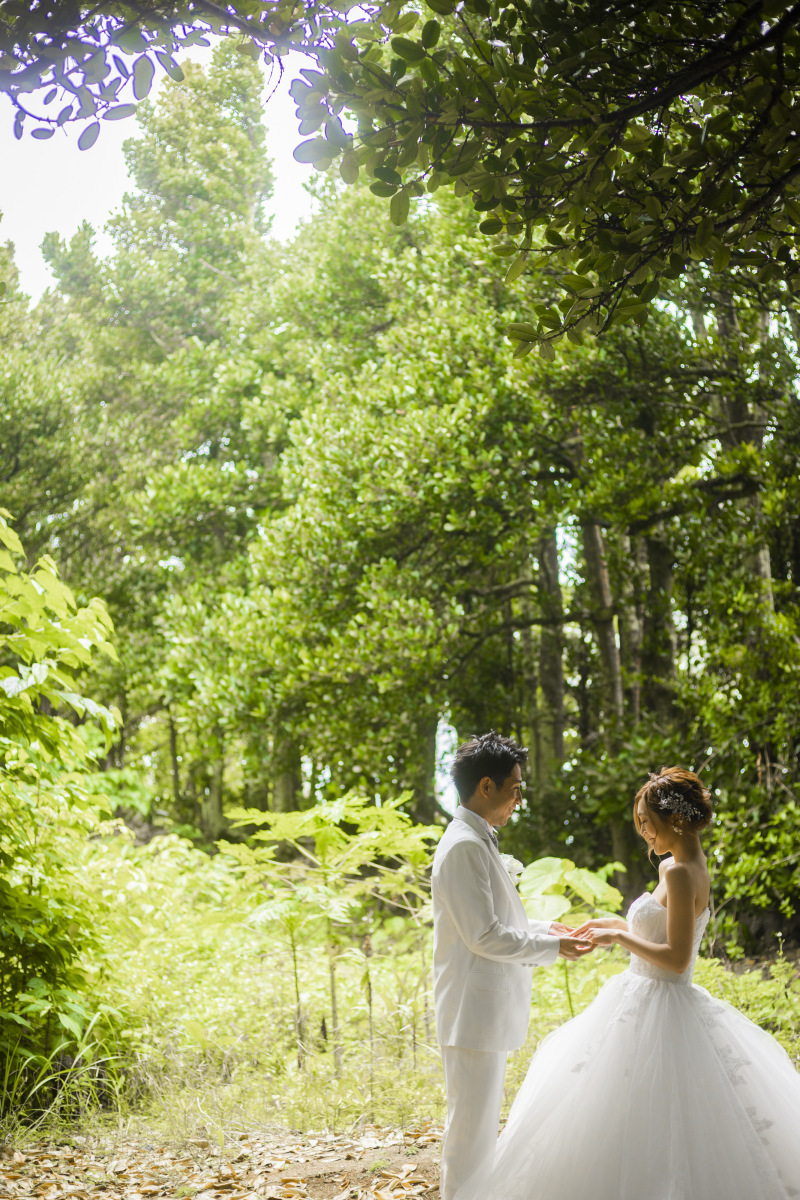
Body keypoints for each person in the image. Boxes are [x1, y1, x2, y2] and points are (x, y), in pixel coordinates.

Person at [457, 766, 800, 1200]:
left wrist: (620, 937)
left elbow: (677, 960)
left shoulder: (678, 873)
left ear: (675, 820)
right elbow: (666, 931)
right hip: (643, 995)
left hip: (662, 1000)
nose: (644, 835)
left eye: (647, 824)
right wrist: (620, 922)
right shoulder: (683, 865)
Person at [432, 732, 593, 1200]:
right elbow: (482, 935)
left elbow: (498, 919)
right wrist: (550, 948)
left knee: (480, 1128)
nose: (519, 799)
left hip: (482, 1012)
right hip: (470, 1012)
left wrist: (551, 930)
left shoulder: (478, 839)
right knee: (469, 1134)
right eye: (516, 788)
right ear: (487, 786)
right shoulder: (463, 846)